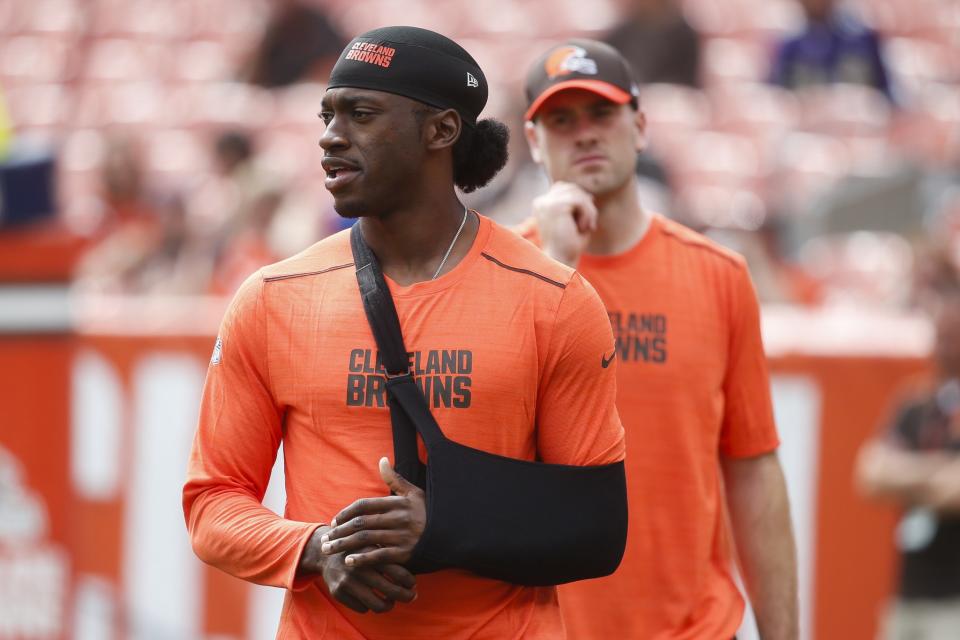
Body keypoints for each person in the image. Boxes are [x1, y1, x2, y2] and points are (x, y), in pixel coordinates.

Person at [183, 26, 625, 639]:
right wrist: (316, 548)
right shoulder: (270, 299)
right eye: (327, 115)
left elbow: (597, 531)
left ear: (441, 131)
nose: (330, 137)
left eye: (360, 114)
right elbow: (213, 503)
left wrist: (446, 525)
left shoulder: (553, 301)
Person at [518, 39, 799, 639]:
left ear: (640, 127)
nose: (586, 134)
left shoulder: (718, 275)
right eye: (561, 121)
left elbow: (753, 468)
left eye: (602, 114)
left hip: (693, 627)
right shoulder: (501, 271)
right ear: (535, 143)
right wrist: (558, 269)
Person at [856, 293, 960, 640]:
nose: (943, 347)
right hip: (908, 596)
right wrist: (939, 470)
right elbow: (870, 474)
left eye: (952, 336)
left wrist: (907, 477)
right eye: (940, 336)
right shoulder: (917, 402)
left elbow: (955, 492)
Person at [770, 0, 894, 101]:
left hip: (858, 126)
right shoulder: (789, 45)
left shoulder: (864, 39)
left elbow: (888, 96)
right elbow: (777, 98)